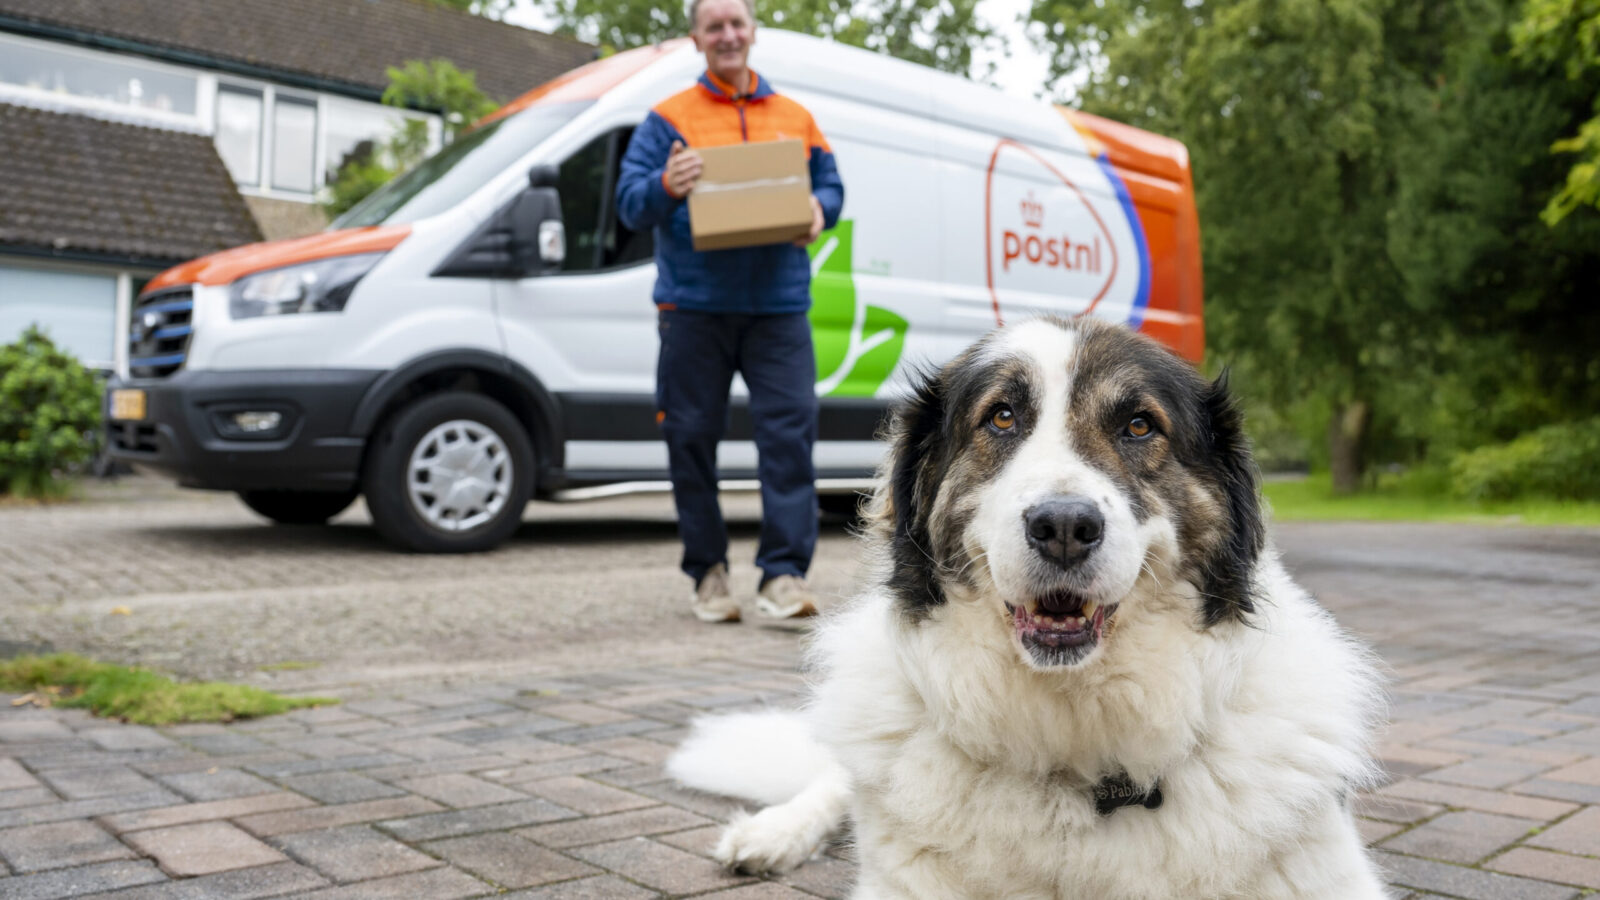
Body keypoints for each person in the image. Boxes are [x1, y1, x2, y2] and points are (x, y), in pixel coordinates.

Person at [615, 0, 844, 624]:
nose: (727, 35)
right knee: (689, 439)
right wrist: (667, 183)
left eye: (736, 23)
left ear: (753, 32)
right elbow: (629, 204)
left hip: (779, 309)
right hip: (693, 308)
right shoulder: (668, 120)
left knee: (789, 439)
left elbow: (831, 188)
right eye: (713, 26)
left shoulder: (795, 117)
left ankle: (783, 576)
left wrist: (820, 211)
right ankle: (709, 574)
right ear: (696, 39)